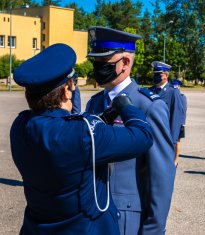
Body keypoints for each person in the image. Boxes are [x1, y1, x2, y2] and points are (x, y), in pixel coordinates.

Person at [10, 43, 153, 235]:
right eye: (73, 85)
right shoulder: (83, 134)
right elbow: (142, 136)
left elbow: (61, 134)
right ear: (66, 92)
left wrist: (101, 119)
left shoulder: (20, 125)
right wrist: (126, 106)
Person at [86, 26, 175, 234]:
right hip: (93, 213)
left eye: (103, 63)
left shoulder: (148, 106)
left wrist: (153, 230)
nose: (97, 68)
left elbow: (161, 176)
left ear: (125, 63)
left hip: (125, 219)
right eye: (95, 62)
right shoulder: (94, 103)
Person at [149, 62, 185, 151]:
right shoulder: (150, 90)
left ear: (165, 75)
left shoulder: (173, 92)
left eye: (158, 74)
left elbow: (176, 117)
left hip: (164, 136)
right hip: (149, 135)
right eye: (154, 74)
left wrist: (172, 141)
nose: (155, 76)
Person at [171, 79, 187, 167]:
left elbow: (183, 111)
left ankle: (176, 159)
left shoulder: (182, 96)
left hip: (179, 122)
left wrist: (182, 123)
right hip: (170, 122)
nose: (175, 88)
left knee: (177, 141)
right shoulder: (170, 95)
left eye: (177, 86)